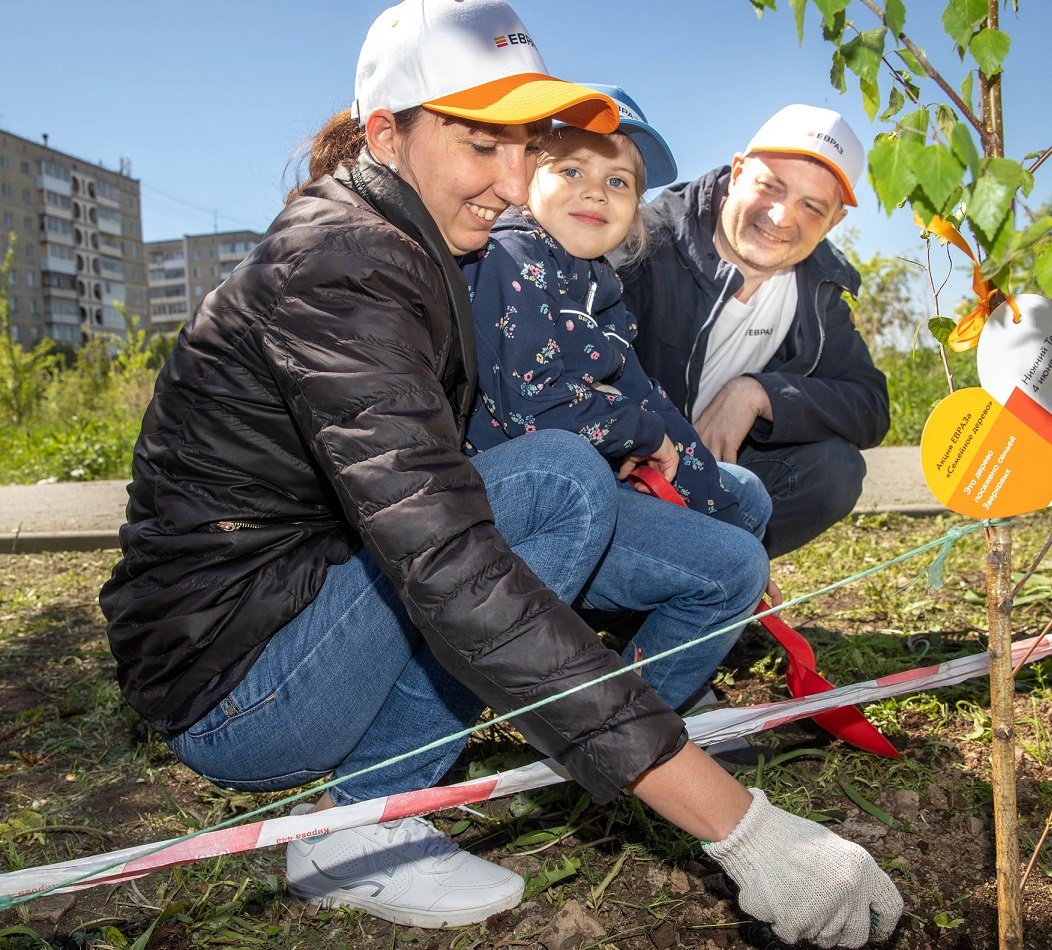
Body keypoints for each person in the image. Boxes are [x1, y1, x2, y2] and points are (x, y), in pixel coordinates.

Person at [98, 1, 902, 945]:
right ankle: (357, 832)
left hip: (310, 607)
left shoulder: (420, 246)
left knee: (686, 549)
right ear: (385, 134)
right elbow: (447, 558)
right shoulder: (339, 268)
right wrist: (743, 830)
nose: (512, 180)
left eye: (524, 148)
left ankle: (593, 734)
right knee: (556, 481)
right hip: (237, 687)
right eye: (482, 146)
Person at [461, 84, 771, 711]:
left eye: (620, 181)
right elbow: (530, 404)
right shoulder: (513, 258)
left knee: (745, 494)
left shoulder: (595, 282)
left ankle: (656, 657)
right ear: (525, 179)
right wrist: (642, 436)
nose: (596, 190)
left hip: (590, 476)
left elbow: (643, 395)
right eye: (571, 170)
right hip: (526, 510)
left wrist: (701, 490)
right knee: (735, 567)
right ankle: (618, 729)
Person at [617, 104, 891, 559]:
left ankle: (715, 575)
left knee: (834, 469)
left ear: (834, 222)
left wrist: (758, 393)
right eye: (770, 186)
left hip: (702, 484)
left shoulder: (819, 290)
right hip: (622, 474)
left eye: (811, 206)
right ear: (739, 171)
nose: (781, 217)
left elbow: (870, 405)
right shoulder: (644, 239)